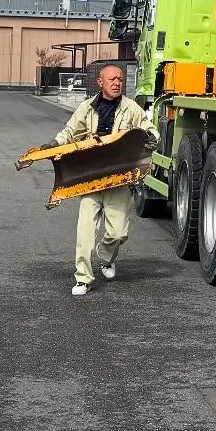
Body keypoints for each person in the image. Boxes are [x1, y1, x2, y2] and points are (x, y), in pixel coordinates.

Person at [45, 65, 157, 297]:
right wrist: (54, 144)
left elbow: (150, 130)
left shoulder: (131, 108)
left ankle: (106, 257)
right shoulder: (86, 108)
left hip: (118, 178)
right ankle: (83, 278)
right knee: (84, 231)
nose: (117, 83)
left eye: (120, 79)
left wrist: (151, 139)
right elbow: (69, 132)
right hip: (91, 178)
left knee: (118, 234)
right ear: (100, 82)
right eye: (112, 79)